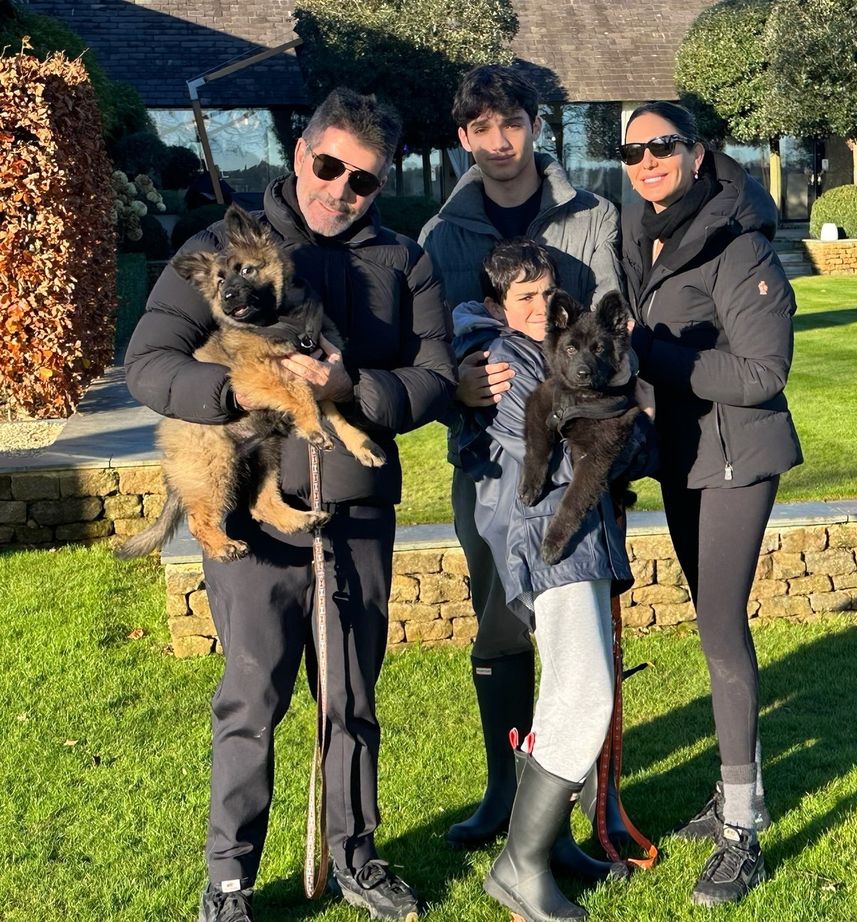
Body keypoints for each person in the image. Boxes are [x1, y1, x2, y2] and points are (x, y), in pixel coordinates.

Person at [124, 88, 456, 922]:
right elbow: (149, 360)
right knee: (250, 700)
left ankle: (355, 857)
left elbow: (436, 377)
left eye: (363, 181)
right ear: (300, 150)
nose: (340, 189)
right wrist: (230, 392)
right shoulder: (217, 250)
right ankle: (229, 879)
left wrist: (359, 388)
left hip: (356, 515)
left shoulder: (404, 259)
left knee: (350, 700)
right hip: (255, 522)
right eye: (328, 165)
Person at [418, 62, 626, 853]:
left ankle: (578, 807)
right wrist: (458, 386)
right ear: (464, 136)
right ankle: (503, 790)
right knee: (501, 626)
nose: (499, 142)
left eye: (512, 124)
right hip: (484, 466)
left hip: (574, 464)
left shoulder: (591, 216)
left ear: (535, 127)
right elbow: (428, 350)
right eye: (480, 129)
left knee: (576, 633)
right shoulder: (443, 236)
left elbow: (610, 333)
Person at [619, 101, 802, 907]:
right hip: (687, 461)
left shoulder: (738, 241)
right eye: (633, 150)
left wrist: (648, 352)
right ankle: (730, 794)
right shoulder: (645, 232)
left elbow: (763, 375)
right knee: (711, 623)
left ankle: (743, 831)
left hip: (738, 457)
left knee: (723, 631)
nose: (649, 160)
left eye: (663, 145)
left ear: (697, 152)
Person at [452, 238, 655, 922]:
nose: (541, 310)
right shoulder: (506, 362)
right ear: (497, 308)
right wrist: (629, 426)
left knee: (565, 697)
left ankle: (554, 845)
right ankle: (519, 869)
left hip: (582, 542)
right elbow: (570, 461)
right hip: (551, 546)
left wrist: (623, 430)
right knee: (586, 693)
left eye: (547, 294)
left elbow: (617, 445)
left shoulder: (564, 353)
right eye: (524, 298)